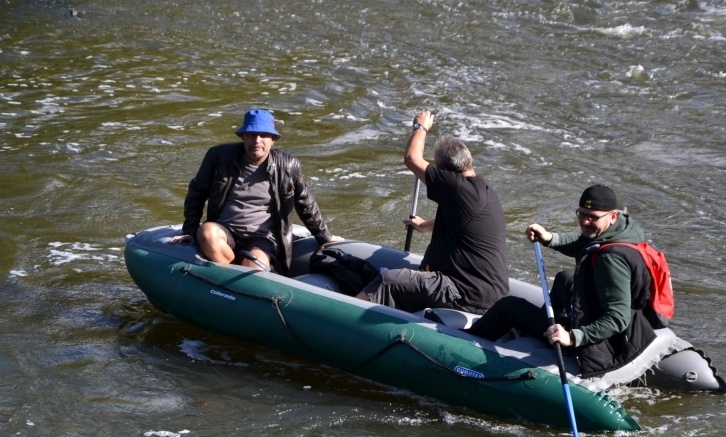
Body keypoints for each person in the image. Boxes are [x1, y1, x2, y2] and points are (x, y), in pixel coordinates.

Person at [465, 184, 658, 378]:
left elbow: (618, 318)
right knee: (565, 279)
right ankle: (544, 332)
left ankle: (461, 344)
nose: (585, 221)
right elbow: (585, 243)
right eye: (581, 214)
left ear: (613, 215)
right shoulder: (622, 231)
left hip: (602, 346)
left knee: (507, 307)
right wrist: (550, 238)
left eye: (593, 217)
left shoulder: (611, 260)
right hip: (620, 329)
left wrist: (573, 337)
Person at [355, 110, 509, 314]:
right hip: (484, 293)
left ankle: (338, 317)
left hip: (466, 293)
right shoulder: (481, 190)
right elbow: (460, 222)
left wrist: (421, 127)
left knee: (388, 280)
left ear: (445, 172)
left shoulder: (456, 187)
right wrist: (424, 225)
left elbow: (412, 158)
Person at [170, 109, 341, 274]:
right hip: (224, 230)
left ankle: (241, 277)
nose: (257, 140)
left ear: (273, 139)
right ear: (243, 137)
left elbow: (304, 202)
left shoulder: (288, 165)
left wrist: (324, 237)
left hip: (263, 238)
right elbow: (197, 192)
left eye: (264, 135)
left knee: (254, 264)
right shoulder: (219, 157)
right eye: (251, 135)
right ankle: (230, 280)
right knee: (206, 233)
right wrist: (189, 230)